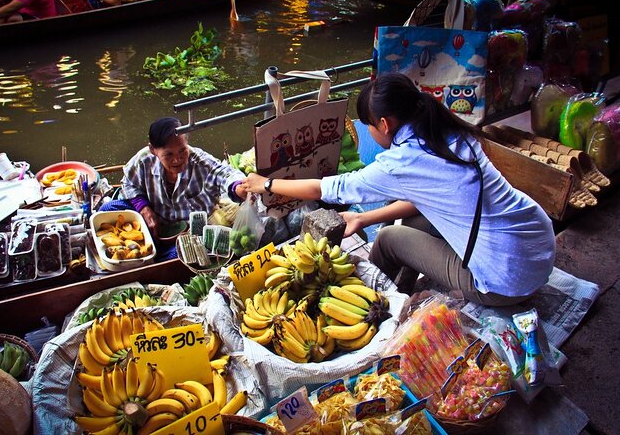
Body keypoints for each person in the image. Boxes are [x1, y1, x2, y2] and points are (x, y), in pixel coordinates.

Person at [241, 72, 555, 307]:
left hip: (503, 282)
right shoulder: (444, 130)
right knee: (413, 221)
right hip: (539, 246)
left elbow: (331, 188)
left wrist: (266, 183)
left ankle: (374, 308)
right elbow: (425, 201)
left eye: (369, 126)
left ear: (385, 124)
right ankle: (403, 290)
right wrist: (363, 219)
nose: (370, 132)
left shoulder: (402, 162)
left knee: (391, 238)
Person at [100, 117, 247, 258]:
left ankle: (156, 262)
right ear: (153, 150)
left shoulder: (200, 161)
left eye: (182, 150)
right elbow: (128, 183)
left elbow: (225, 173)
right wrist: (144, 208)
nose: (177, 159)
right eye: (168, 154)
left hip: (186, 234)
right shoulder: (144, 159)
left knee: (181, 254)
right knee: (107, 209)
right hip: (153, 220)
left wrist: (237, 186)